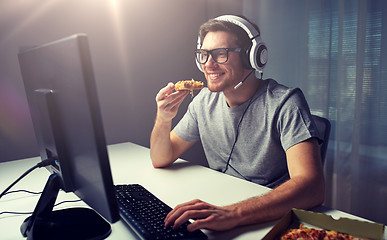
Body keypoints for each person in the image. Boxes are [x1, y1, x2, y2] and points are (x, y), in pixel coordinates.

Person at [150, 15, 325, 232]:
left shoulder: (285, 103)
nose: (208, 64)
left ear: (251, 57)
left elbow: (313, 187)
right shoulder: (203, 101)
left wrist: (234, 213)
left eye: (220, 54)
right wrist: (163, 118)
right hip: (223, 206)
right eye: (203, 55)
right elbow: (160, 158)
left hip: (269, 219)